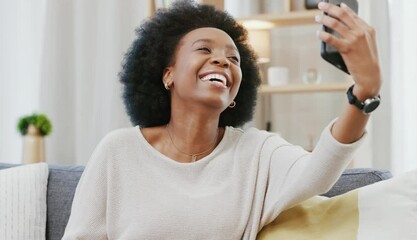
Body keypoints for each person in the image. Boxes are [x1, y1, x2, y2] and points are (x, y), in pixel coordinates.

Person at [62, 0, 382, 239]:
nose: (222, 60)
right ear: (167, 74)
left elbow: (318, 172)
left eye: (233, 58)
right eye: (204, 49)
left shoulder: (257, 152)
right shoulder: (118, 150)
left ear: (234, 96)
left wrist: (363, 91)